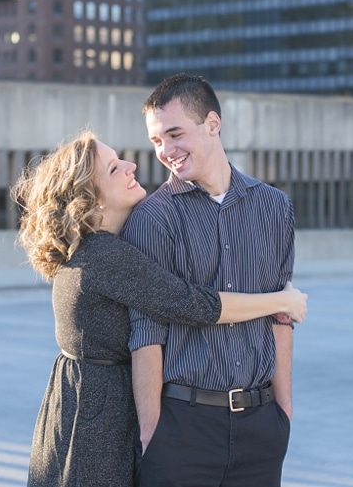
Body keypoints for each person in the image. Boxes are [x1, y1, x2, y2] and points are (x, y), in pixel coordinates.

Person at [11, 130, 308, 487]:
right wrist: (282, 300)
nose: (131, 165)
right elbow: (193, 304)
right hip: (98, 422)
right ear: (93, 202)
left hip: (84, 405)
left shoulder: (95, 250)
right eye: (113, 168)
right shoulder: (105, 256)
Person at [122, 73, 297, 487]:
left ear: (213, 125)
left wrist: (284, 412)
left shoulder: (274, 207)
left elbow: (281, 314)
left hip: (261, 427)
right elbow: (146, 331)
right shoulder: (152, 218)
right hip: (183, 429)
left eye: (175, 134)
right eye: (156, 141)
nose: (166, 151)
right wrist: (152, 435)